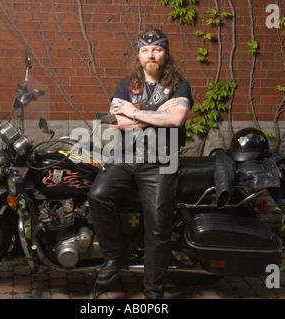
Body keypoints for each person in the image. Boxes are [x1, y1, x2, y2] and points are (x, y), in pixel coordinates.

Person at [88, 26, 193, 299]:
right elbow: (113, 122)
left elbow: (175, 120)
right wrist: (153, 114)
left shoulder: (180, 84)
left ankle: (153, 295)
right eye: (145, 50)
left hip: (161, 162)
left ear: (165, 54)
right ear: (138, 55)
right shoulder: (126, 84)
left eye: (157, 50)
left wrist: (132, 112)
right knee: (98, 196)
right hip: (125, 158)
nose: (151, 55)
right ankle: (114, 254)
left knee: (157, 228)